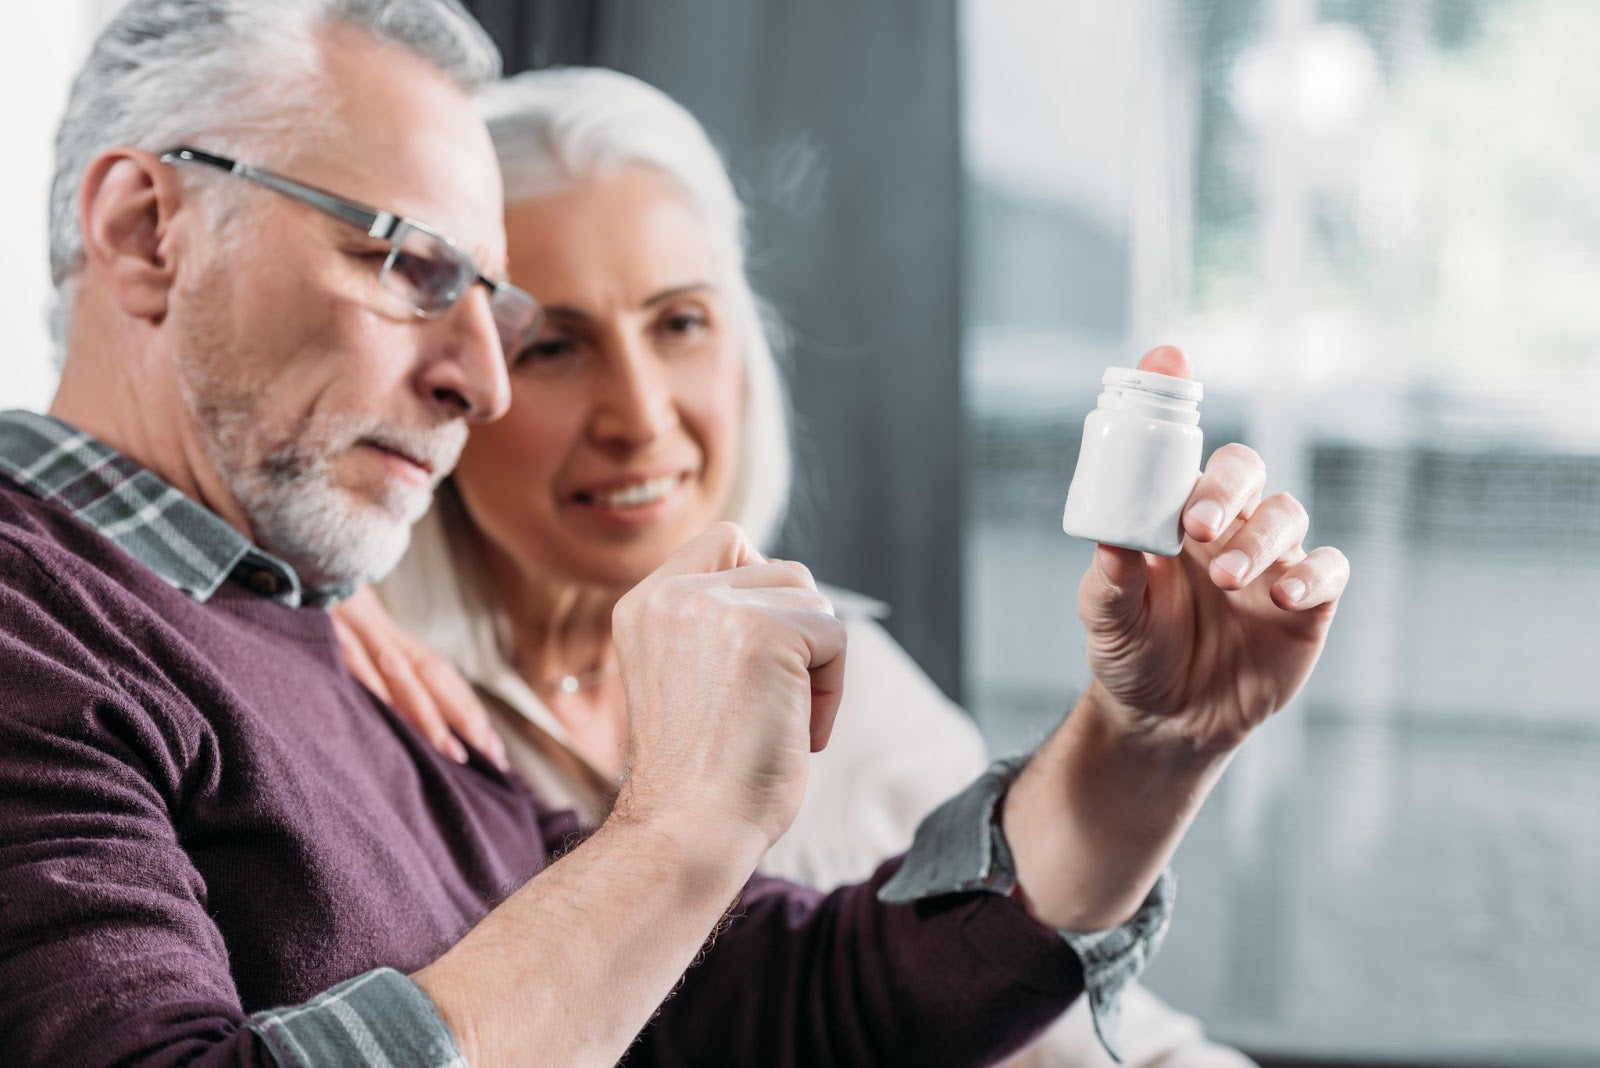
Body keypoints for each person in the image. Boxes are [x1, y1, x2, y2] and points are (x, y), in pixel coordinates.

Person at [0, 3, 1350, 1067]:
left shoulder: (323, 651)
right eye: (413, 268)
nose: (484, 376)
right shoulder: (35, 623)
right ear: (145, 229)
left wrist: (1145, 745)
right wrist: (678, 829)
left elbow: (786, 1004)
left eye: (492, 305)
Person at [333, 67, 1257, 1068]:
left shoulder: (849, 682)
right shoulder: (370, 714)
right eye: (555, 347)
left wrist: (1154, 736)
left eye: (679, 323)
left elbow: (1090, 1040)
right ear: (450, 375)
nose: (641, 417)